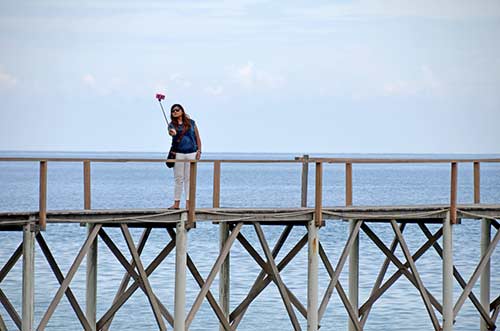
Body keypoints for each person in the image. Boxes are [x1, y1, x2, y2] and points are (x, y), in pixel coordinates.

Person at [167, 103, 202, 209]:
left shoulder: (191, 123)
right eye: (173, 111)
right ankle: (176, 204)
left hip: (192, 153)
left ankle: (188, 204)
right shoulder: (172, 124)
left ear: (182, 110)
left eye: (177, 110)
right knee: (178, 179)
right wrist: (172, 132)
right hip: (178, 154)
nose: (175, 112)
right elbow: (171, 132)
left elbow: (197, 137)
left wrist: (199, 151)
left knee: (189, 180)